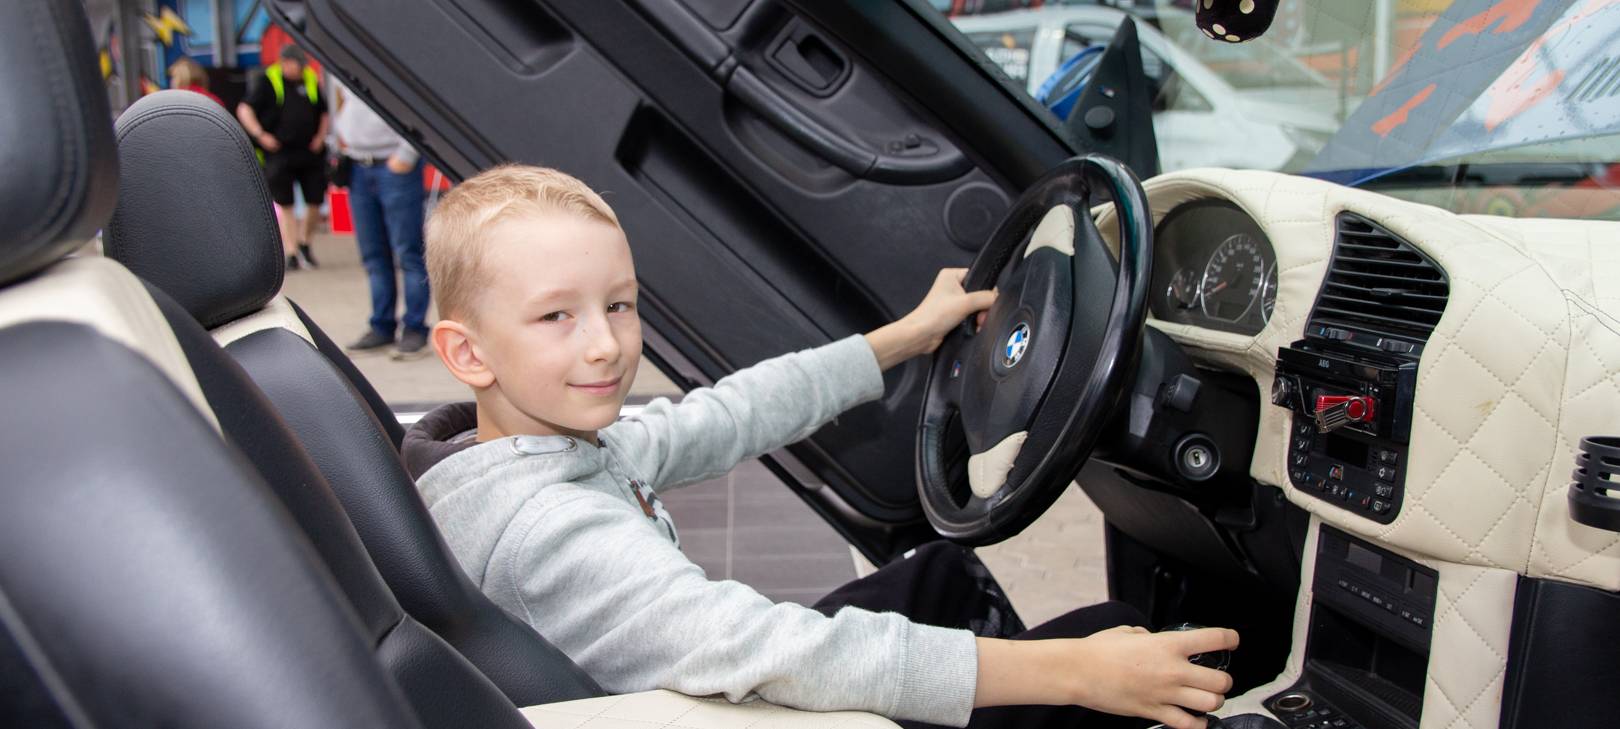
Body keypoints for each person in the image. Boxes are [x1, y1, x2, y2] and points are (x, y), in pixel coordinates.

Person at [410, 165, 1238, 729]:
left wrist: (905, 337)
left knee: (942, 574)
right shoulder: (551, 529)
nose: (605, 345)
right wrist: (1076, 671)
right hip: (710, 702)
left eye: (619, 305)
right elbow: (776, 651)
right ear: (467, 353)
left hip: (695, 684)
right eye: (557, 315)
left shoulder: (528, 449)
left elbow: (733, 413)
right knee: (1110, 638)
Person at [333, 83, 430, 359]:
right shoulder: (344, 68)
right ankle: (382, 325)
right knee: (373, 255)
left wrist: (407, 154)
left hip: (394, 165)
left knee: (408, 252)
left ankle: (415, 328)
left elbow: (418, 107)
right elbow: (341, 100)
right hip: (358, 165)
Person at [237, 45, 328, 271]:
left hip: (309, 151)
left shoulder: (309, 79)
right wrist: (260, 135)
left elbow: (323, 112)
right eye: (297, 64)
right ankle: (291, 251)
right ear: (285, 62)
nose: (301, 69)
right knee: (285, 203)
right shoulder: (267, 81)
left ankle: (305, 243)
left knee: (315, 199)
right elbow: (244, 109)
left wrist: (320, 136)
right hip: (279, 152)